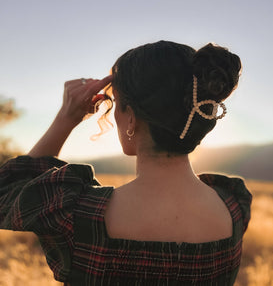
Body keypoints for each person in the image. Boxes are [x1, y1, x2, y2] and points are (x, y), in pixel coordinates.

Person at [0, 40, 252, 285]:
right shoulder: (234, 206)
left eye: (118, 105)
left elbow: (5, 190)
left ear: (131, 117)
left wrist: (66, 118)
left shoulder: (76, 211)